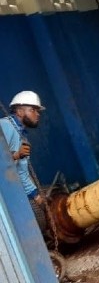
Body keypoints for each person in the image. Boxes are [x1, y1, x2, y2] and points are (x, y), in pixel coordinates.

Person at [0, 91, 47, 229]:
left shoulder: (20, 133)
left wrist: (36, 195)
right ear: (19, 112)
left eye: (38, 111)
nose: (37, 114)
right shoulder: (5, 126)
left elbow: (21, 171)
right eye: (33, 110)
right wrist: (15, 155)